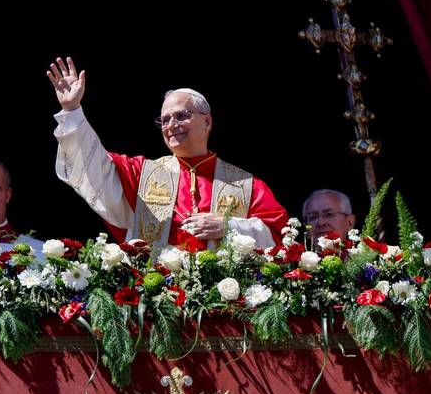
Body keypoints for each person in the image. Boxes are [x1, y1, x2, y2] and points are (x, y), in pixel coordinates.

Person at [47, 56, 289, 249]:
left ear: (207, 122)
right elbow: (93, 166)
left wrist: (228, 226)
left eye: (182, 116)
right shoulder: (141, 174)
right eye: (164, 120)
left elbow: (281, 238)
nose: (171, 125)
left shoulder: (247, 185)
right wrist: (72, 110)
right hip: (157, 303)